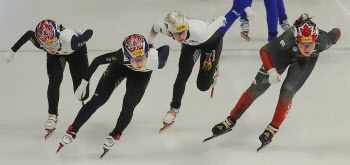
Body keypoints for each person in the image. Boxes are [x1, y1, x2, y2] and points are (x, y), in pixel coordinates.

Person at [211, 14, 341, 146]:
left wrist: (334, 41)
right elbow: (264, 51)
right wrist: (271, 70)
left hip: (304, 62)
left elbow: (336, 32)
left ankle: (272, 128)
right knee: (255, 90)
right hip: (282, 54)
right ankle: (230, 120)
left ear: (316, 39)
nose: (307, 48)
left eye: (311, 43)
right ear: (296, 40)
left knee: (287, 93)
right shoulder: (288, 37)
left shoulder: (324, 41)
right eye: (303, 43)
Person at [56, 34, 170, 156]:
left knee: (129, 104)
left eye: (141, 58)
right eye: (133, 59)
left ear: (147, 53)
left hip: (140, 76)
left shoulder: (157, 60)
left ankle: (116, 133)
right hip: (119, 68)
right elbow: (97, 61)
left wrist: (152, 46)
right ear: (126, 55)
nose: (138, 64)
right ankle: (72, 130)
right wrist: (83, 84)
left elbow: (166, 47)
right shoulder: (120, 56)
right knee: (97, 100)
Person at [1, 19, 93, 133]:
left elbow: (90, 32)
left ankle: (82, 96)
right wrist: (12, 51)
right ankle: (52, 115)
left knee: (82, 96)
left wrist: (82, 34)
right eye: (46, 46)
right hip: (57, 57)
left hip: (76, 52)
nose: (51, 49)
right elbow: (29, 34)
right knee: (55, 80)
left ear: (58, 37)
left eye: (53, 44)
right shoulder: (43, 44)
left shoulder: (72, 41)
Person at [147, 11, 230, 127]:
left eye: (183, 32)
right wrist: (149, 44)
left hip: (211, 43)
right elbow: (156, 27)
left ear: (187, 28)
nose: (180, 36)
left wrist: (221, 20)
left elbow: (221, 19)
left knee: (203, 86)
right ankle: (174, 109)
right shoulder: (169, 31)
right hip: (191, 45)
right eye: (176, 33)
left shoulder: (201, 33)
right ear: (170, 31)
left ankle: (214, 69)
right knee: (182, 74)